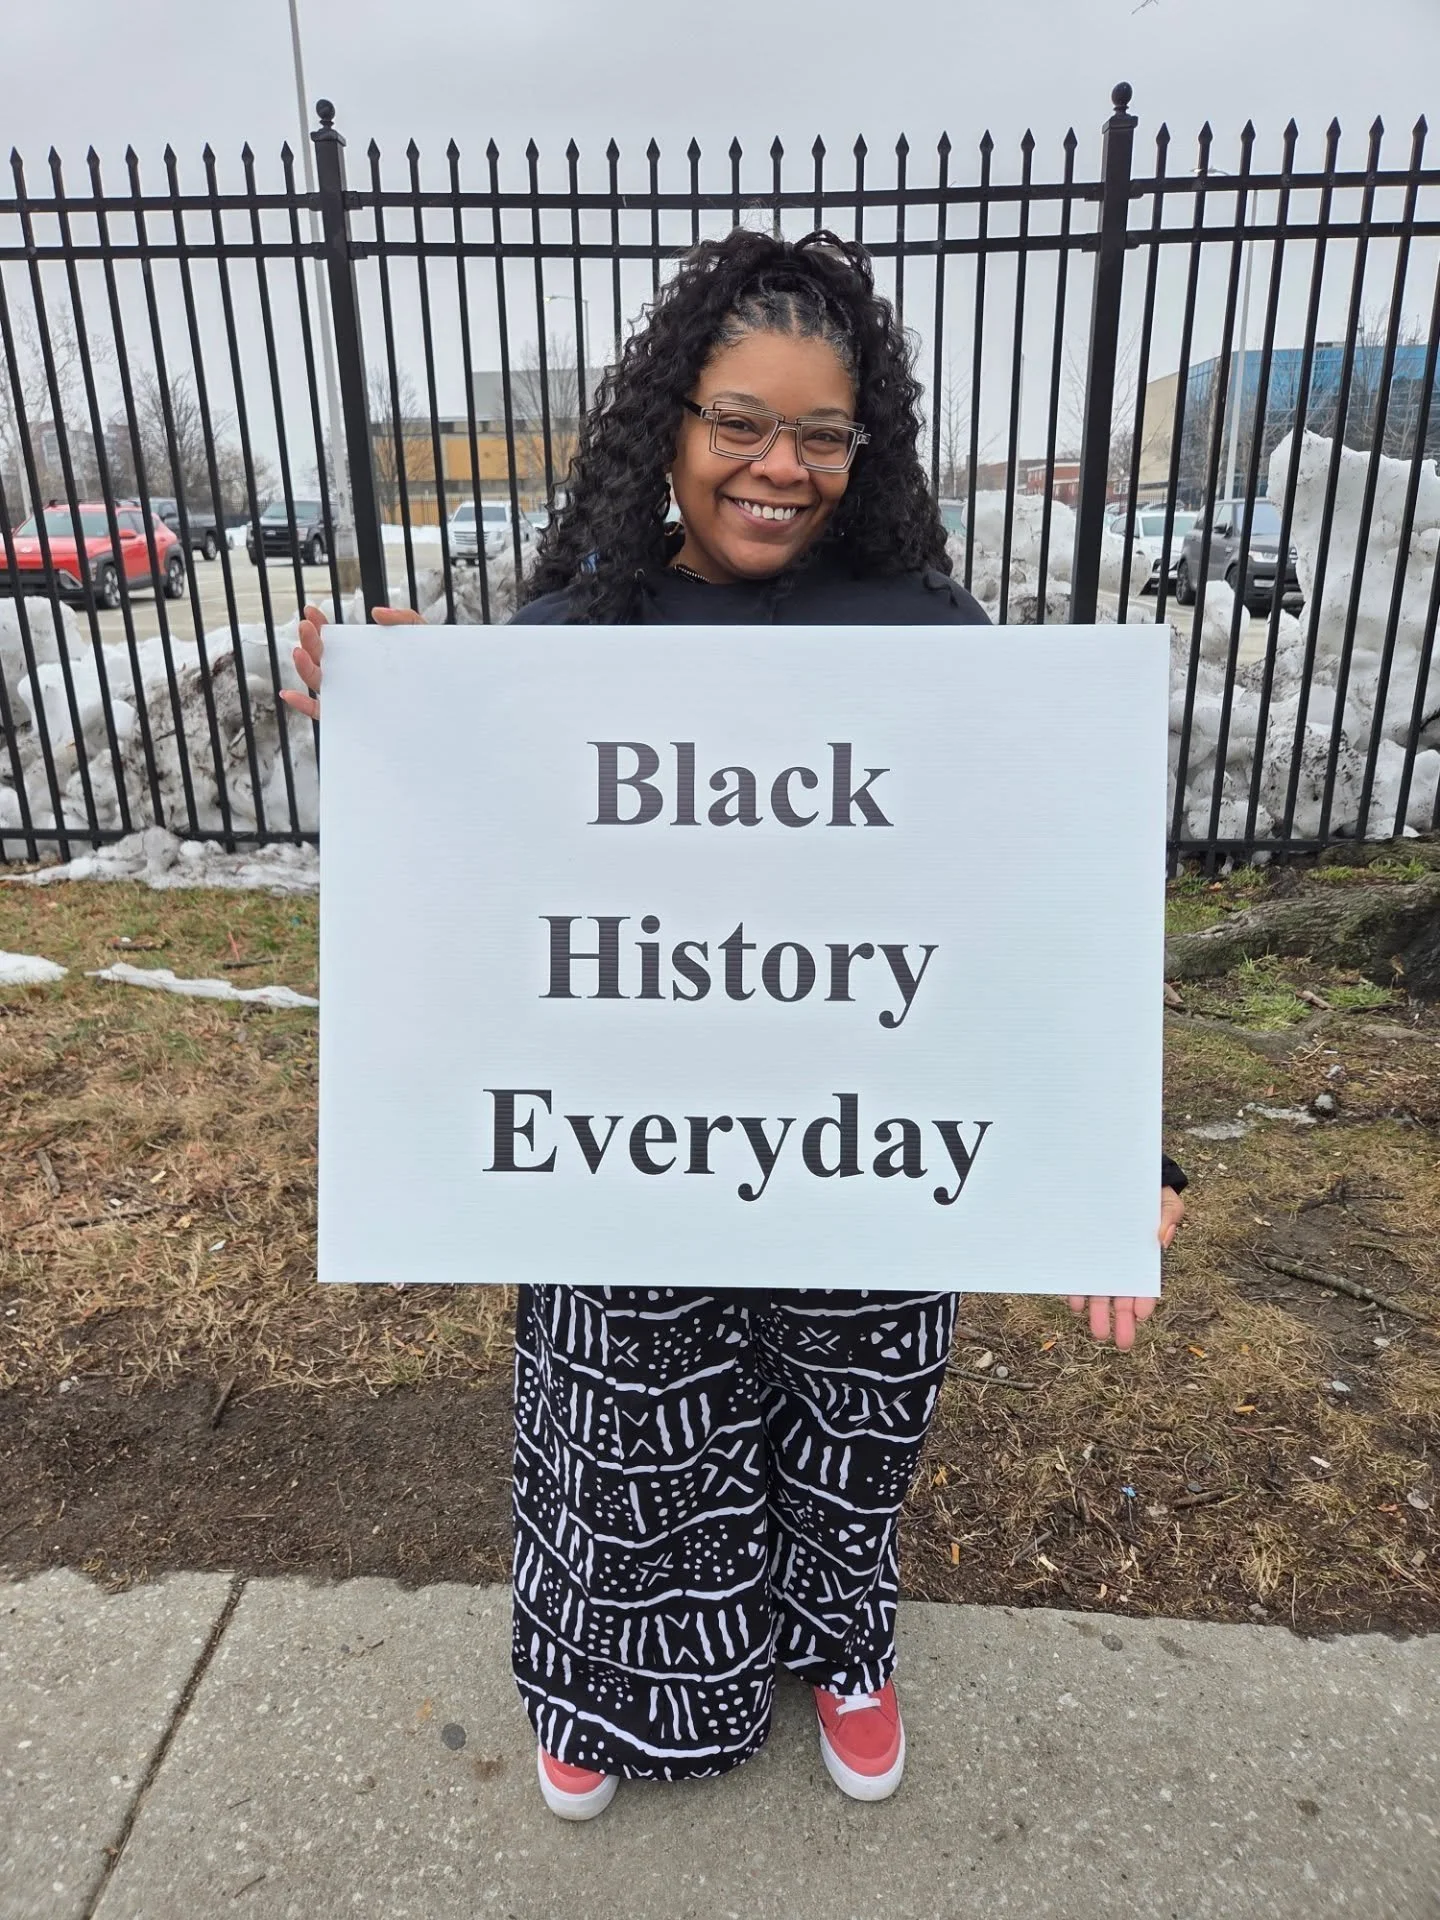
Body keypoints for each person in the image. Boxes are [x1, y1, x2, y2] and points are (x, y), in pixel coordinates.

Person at [283, 228, 1187, 1821]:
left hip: (868, 1132)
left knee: (853, 1406)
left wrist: (1122, 1160)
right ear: (674, 427)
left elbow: (1033, 912)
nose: (781, 467)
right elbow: (472, 894)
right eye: (739, 423)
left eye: (821, 433)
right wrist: (406, 717)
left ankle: (844, 1643)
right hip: (624, 1141)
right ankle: (601, 1667)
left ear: (865, 446)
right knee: (627, 1413)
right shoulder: (570, 646)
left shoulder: (931, 647)